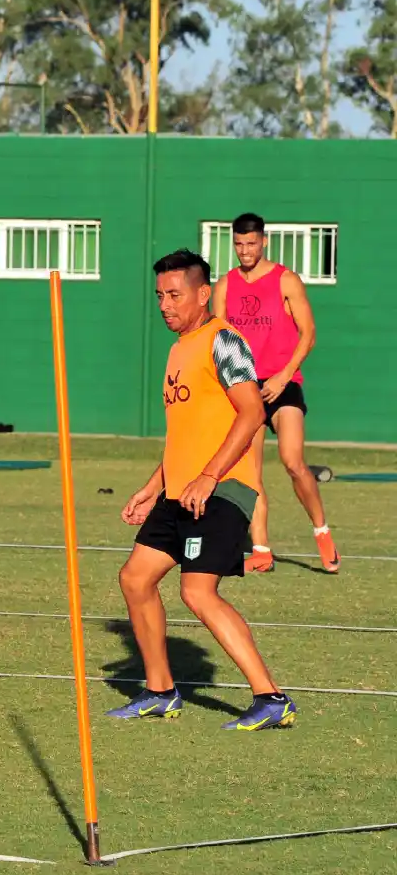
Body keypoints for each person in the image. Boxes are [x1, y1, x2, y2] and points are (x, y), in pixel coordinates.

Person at [109, 249, 297, 731]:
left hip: (223, 489)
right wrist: (154, 487)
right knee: (135, 579)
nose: (165, 304)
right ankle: (159, 691)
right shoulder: (177, 350)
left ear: (202, 293)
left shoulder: (224, 340)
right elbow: (186, 434)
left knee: (198, 591)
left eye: (174, 295)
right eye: (159, 296)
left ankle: (271, 698)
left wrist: (210, 475)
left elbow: (252, 412)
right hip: (181, 492)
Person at [212, 213, 339, 574]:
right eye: (238, 244)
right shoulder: (224, 286)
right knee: (250, 474)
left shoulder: (285, 280)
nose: (244, 250)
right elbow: (219, 339)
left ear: (263, 242)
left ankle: (322, 532)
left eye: (251, 244)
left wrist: (283, 377)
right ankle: (262, 551)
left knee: (293, 462)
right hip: (246, 387)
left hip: (282, 385)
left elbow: (308, 333)